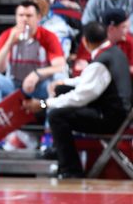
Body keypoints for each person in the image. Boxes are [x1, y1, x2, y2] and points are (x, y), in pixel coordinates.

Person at [23, 21, 130, 178]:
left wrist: (44, 104)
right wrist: (63, 83)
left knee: (56, 116)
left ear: (85, 41)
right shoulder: (114, 52)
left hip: (110, 119)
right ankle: (57, 148)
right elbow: (87, 80)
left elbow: (81, 96)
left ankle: (71, 170)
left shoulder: (101, 62)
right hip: (116, 112)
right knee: (61, 89)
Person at [0, 0, 66, 111]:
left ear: (38, 18)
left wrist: (37, 74)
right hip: (14, 84)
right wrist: (9, 43)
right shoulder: (7, 35)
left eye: (29, 15)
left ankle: (49, 126)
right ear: (16, 17)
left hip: (39, 85)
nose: (24, 19)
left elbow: (60, 66)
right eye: (21, 15)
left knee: (58, 84)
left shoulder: (48, 36)